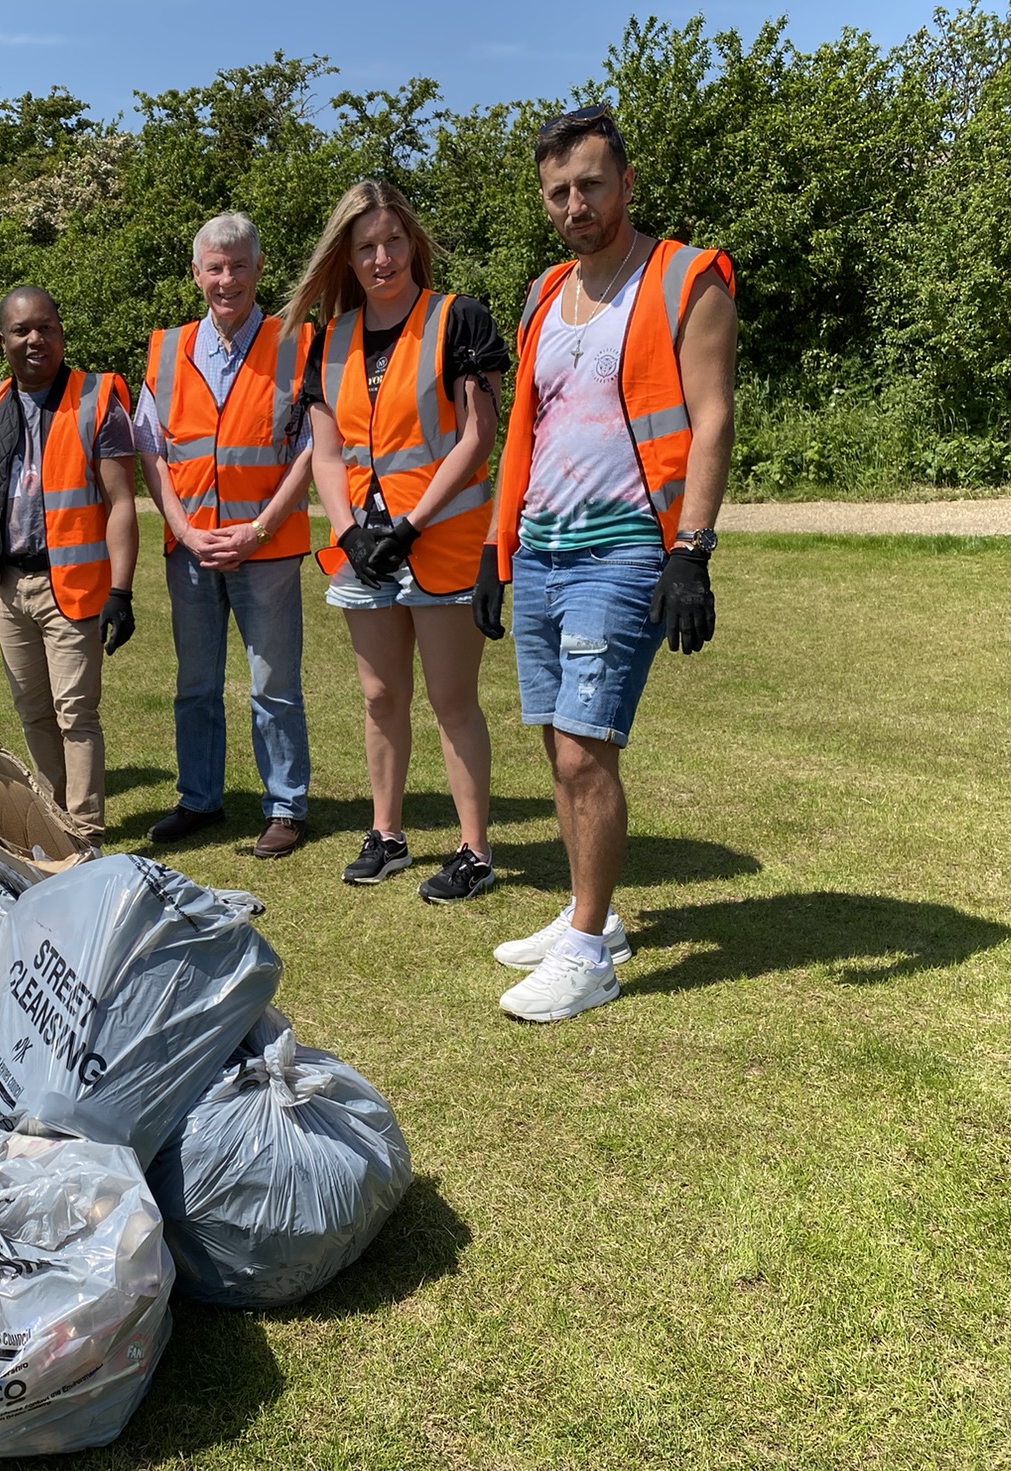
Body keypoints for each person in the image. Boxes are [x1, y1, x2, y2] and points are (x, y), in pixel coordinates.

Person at [472, 104, 736, 1022]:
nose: (575, 203)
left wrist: (691, 551)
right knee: (555, 740)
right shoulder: (547, 292)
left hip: (624, 550)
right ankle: (595, 912)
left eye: (590, 184)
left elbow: (711, 417)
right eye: (558, 191)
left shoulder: (683, 279)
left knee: (588, 750)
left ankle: (587, 955)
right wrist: (496, 550)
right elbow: (525, 431)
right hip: (541, 548)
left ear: (626, 183)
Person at [290, 181, 509, 897]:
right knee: (380, 695)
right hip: (366, 551)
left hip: (440, 542)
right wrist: (350, 534)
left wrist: (410, 524)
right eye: (365, 248)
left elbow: (479, 436)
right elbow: (327, 453)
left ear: (412, 243)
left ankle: (474, 850)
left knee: (452, 699)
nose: (381, 258)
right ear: (345, 260)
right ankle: (387, 835)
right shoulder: (326, 341)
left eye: (391, 242)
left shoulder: (457, 319)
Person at [135, 212, 315, 860]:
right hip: (191, 552)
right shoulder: (165, 349)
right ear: (196, 274)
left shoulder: (296, 343)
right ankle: (199, 800)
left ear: (259, 268)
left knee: (272, 684)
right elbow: (150, 450)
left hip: (266, 549)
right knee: (195, 683)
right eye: (215, 266)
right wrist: (182, 530)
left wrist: (259, 528)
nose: (227, 279)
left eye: (238, 265)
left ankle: (287, 807)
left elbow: (312, 450)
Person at [0, 285, 139, 834]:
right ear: (2, 340)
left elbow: (122, 501)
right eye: (22, 330)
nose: (34, 340)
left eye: (45, 327)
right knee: (33, 713)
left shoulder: (98, 401)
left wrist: (121, 591)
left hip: (72, 585)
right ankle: (56, 826)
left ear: (61, 332)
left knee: (76, 712)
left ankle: (87, 829)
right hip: (8, 585)